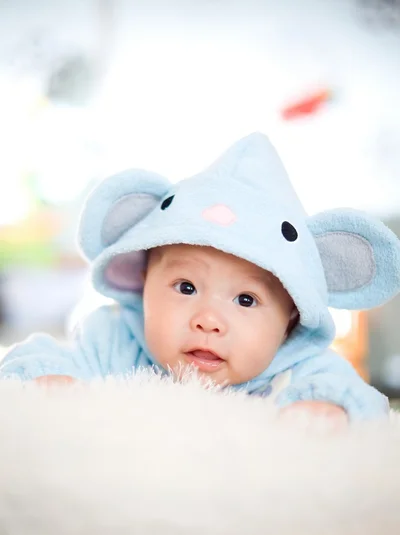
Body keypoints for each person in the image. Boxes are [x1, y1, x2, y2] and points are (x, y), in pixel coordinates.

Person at [1, 132, 400, 425]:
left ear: (290, 319)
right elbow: (46, 359)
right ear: (144, 285)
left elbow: (364, 406)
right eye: (186, 287)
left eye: (246, 300)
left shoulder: (302, 370)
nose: (208, 320)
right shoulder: (115, 340)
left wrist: (329, 411)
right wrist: (47, 380)